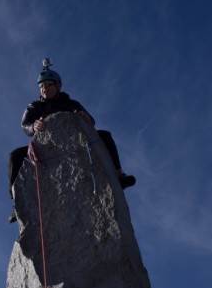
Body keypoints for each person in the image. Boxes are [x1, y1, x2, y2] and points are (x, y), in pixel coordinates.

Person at [8, 59, 135, 222]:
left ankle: (118, 175)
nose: (44, 89)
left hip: (74, 142)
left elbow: (90, 120)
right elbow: (25, 125)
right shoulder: (34, 107)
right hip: (46, 145)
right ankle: (16, 201)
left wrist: (85, 117)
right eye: (41, 86)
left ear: (58, 86)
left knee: (104, 135)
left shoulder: (70, 103)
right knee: (15, 156)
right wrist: (33, 126)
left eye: (48, 85)